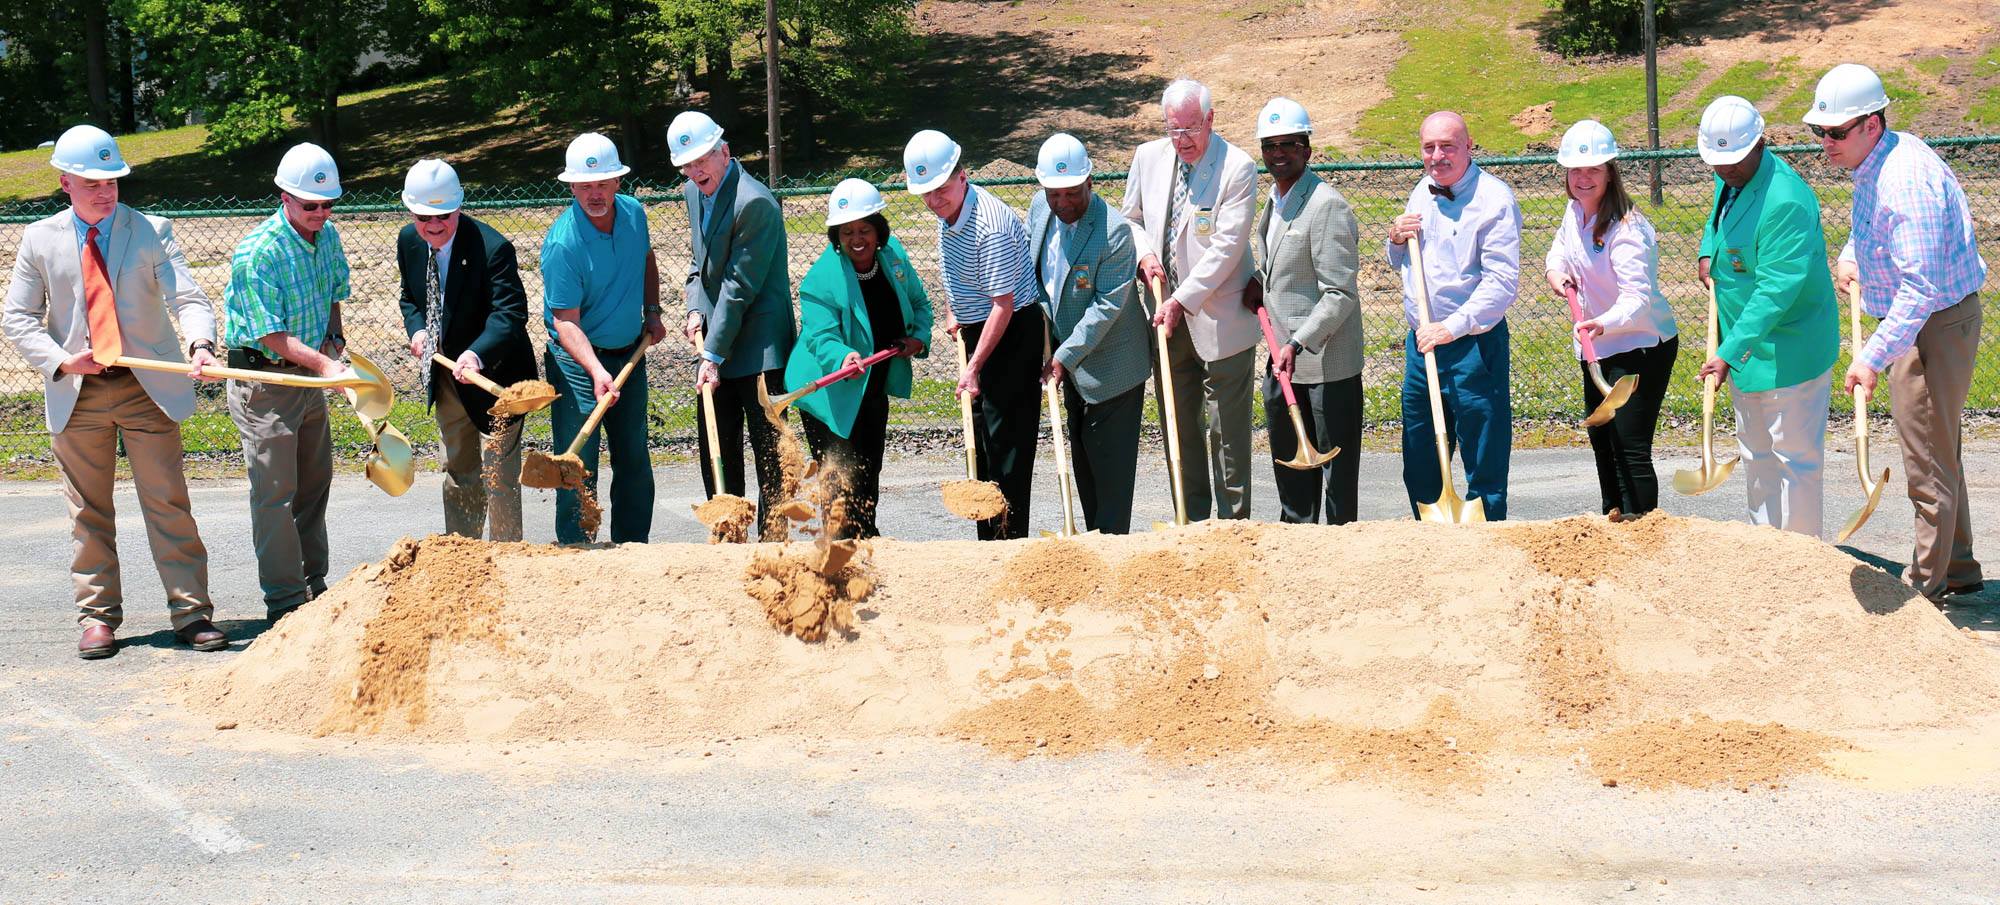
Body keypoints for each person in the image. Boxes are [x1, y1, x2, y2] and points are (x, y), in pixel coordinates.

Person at [1, 125, 225, 659]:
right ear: (65, 182)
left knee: (168, 501)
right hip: (76, 390)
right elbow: (18, 318)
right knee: (87, 510)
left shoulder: (152, 230)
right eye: (92, 182)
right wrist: (60, 360)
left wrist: (200, 344)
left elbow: (188, 297)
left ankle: (191, 612)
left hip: (148, 386)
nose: (106, 191)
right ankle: (97, 617)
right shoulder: (39, 238)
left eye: (113, 181)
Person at [1807, 63, 1987, 597]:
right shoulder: (1878, 161)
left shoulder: (1904, 178)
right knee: (1939, 448)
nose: (1826, 143)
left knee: (1925, 457)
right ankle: (1958, 569)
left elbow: (1922, 285)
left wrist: (1871, 357)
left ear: (1871, 124)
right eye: (1820, 131)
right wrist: (1849, 256)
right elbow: (1872, 232)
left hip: (1932, 322)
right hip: (1921, 319)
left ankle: (1922, 587)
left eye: (1836, 132)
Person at [1695, 95, 1840, 537]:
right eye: (1717, 162)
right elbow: (1718, 219)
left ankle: (1802, 557)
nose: (1724, 170)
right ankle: (1766, 548)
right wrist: (1707, 252)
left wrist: (1727, 352)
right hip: (1746, 349)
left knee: (1794, 459)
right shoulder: (1733, 174)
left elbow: (1775, 291)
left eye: (1734, 160)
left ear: (1760, 142)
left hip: (1789, 349)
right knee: (1756, 454)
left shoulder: (1786, 201)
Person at [1121, 78, 1260, 521]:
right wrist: (1143, 253)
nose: (1182, 140)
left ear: (1211, 120)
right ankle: (1191, 518)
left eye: (1191, 129)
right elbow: (1131, 219)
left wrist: (1181, 300)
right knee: (1178, 425)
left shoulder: (1237, 167)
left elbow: (1227, 247)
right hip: (1163, 316)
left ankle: (1234, 525)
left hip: (1219, 318)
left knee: (1227, 432)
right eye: (1173, 129)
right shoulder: (1147, 157)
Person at [223, 141, 351, 617]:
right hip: (265, 381)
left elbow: (334, 293)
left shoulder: (328, 236)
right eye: (310, 205)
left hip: (309, 378)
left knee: (315, 482)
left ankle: (313, 582)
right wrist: (323, 366)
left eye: (327, 204)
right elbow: (270, 333)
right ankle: (284, 601)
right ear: (284, 197)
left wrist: (334, 343)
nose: (321, 212)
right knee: (276, 494)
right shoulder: (258, 253)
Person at [905, 128, 1045, 539]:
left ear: (962, 175)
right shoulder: (949, 214)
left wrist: (974, 366)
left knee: (1007, 448)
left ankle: (1008, 540)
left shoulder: (991, 225)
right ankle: (986, 541)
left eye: (941, 190)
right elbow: (956, 273)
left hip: (1011, 332)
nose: (933, 201)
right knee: (982, 441)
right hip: (978, 328)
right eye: (926, 193)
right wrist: (954, 310)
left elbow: (1003, 305)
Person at [1387, 111, 1522, 520]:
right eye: (1429, 147)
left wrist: (1451, 328)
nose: (1437, 155)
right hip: (1422, 346)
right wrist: (1395, 240)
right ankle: (1433, 539)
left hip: (1473, 346)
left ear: (1468, 145)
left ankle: (1488, 541)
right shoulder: (1420, 192)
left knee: (1484, 455)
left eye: (1447, 146)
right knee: (1420, 452)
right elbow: (1402, 263)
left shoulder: (1495, 199)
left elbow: (1501, 284)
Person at [1543, 120, 1679, 520]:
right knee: (1602, 438)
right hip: (1596, 346)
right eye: (1576, 170)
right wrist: (1556, 274)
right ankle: (1614, 521)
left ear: (1610, 172)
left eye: (1594, 170)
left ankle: (1645, 530)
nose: (1584, 179)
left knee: (1630, 446)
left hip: (1640, 346)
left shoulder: (1627, 228)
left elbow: (1637, 298)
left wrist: (1601, 321)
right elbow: (1558, 253)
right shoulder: (1575, 212)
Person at [396, 158, 537, 541]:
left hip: (496, 375)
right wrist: (418, 329)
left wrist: (476, 354)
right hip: (446, 377)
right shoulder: (409, 241)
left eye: (443, 215)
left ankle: (507, 555)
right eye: (424, 217)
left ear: (459, 206)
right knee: (459, 469)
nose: (434, 225)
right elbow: (410, 297)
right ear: (410, 211)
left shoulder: (493, 248)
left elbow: (510, 313)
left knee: (499, 474)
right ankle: (463, 554)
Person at [783, 178, 932, 538]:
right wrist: (844, 356)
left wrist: (918, 339)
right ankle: (839, 545)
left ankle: (866, 536)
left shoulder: (893, 256)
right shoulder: (821, 278)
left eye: (864, 228)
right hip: (830, 389)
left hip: (873, 380)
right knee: (840, 472)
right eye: (846, 231)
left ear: (878, 230)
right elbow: (821, 336)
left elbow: (919, 304)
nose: (857, 238)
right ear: (836, 235)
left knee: (868, 466)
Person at [673, 111, 796, 538]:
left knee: (770, 457)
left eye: (703, 158)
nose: (696, 170)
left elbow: (738, 286)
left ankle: (773, 545)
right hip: (717, 340)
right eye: (687, 164)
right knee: (716, 448)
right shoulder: (692, 192)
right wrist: (694, 310)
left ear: (724, 151)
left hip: (759, 346)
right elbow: (699, 264)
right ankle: (727, 537)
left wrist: (711, 354)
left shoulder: (754, 202)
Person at [541, 132, 666, 544]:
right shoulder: (563, 243)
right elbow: (565, 322)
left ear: (617, 182)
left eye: (602, 183)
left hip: (630, 353)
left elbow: (647, 259)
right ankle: (577, 549)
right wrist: (595, 370)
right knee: (579, 462)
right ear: (572, 187)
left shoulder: (634, 214)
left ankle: (633, 548)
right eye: (585, 186)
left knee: (633, 457)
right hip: (577, 363)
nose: (594, 194)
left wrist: (652, 311)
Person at [1248, 98, 1363, 525]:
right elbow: (1284, 268)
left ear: (1307, 150)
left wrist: (1298, 341)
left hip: (1325, 366)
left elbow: (1339, 294)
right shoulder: (1275, 202)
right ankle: (1296, 552)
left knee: (1335, 480)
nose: (1278, 153)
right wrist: (1259, 281)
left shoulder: (1326, 205)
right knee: (1290, 472)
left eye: (1288, 144)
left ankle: (1338, 559)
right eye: (1269, 145)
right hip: (1283, 363)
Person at [1027, 133, 1149, 534]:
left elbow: (1106, 308)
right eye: (1054, 194)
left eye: (1072, 194)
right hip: (1072, 366)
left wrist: (1062, 358)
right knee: (1082, 461)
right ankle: (1095, 542)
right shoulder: (1039, 212)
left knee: (1110, 474)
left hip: (1112, 368)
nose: (1063, 204)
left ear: (1090, 182)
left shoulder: (1113, 232)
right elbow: (1038, 279)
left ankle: (1112, 549)